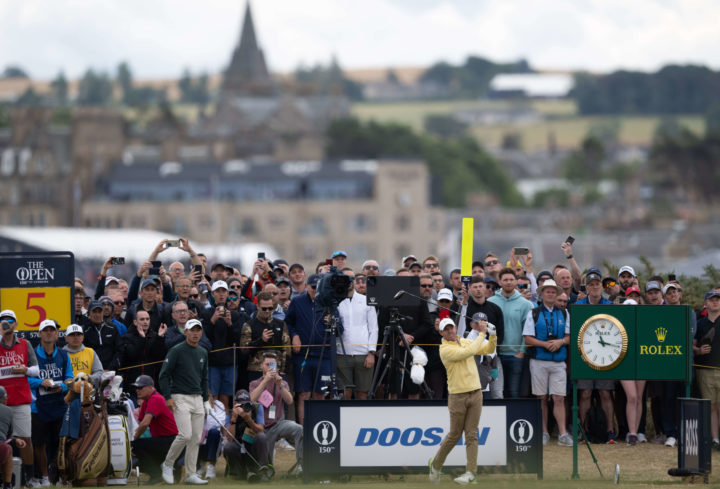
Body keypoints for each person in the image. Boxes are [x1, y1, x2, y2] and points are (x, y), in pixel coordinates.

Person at [428, 317, 497, 485]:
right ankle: (436, 465)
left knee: (472, 435)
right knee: (454, 435)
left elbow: (487, 348)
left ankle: (471, 473)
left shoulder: (464, 340)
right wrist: (482, 333)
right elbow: (468, 352)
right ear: (442, 332)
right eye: (447, 329)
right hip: (458, 396)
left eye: (452, 328)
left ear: (456, 328)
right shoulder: (444, 349)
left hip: (476, 393)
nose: (450, 331)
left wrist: (493, 336)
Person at [159, 319, 211, 485]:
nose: (195, 333)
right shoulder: (176, 350)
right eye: (192, 330)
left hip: (197, 398)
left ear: (201, 333)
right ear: (185, 332)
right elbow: (164, 375)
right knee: (185, 435)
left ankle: (191, 474)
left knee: (196, 438)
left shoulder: (203, 352)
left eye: (198, 330)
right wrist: (167, 397)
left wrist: (205, 400)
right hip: (179, 397)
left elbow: (204, 378)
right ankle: (167, 464)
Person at [522, 280, 573, 447]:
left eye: (553, 292)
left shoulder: (564, 313)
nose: (550, 294)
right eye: (547, 292)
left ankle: (563, 434)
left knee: (559, 397)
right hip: (539, 360)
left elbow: (569, 336)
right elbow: (528, 338)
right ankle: (544, 432)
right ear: (542, 294)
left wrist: (560, 342)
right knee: (541, 397)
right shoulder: (534, 313)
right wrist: (545, 344)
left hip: (558, 361)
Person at [27, 320, 73, 486]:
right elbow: (26, 378)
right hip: (37, 406)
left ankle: (60, 475)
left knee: (61, 443)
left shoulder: (63, 355)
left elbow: (69, 378)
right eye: (44, 330)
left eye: (51, 330)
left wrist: (59, 386)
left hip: (59, 404)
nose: (48, 333)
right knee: (39, 444)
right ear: (39, 334)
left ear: (56, 334)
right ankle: (45, 477)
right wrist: (41, 383)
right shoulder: (32, 354)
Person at [574, 268, 616, 444]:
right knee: (585, 394)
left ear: (601, 286)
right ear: (587, 288)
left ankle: (610, 431)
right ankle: (582, 432)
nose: (595, 287)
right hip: (585, 357)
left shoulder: (610, 306)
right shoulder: (578, 307)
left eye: (597, 283)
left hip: (606, 356)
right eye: (591, 284)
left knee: (605, 393)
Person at [249, 353, 303, 473]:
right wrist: (265, 381)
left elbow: (289, 401)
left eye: (273, 365)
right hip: (262, 427)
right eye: (267, 365)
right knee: (268, 468)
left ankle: (302, 466)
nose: (270, 368)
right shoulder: (254, 383)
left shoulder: (282, 383)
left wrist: (280, 385)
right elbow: (251, 400)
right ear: (261, 366)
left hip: (279, 423)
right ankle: (268, 460)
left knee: (299, 429)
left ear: (277, 368)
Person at [0, 310, 36, 486]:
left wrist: (25, 370)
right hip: (1, 401)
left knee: (26, 439)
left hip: (21, 399)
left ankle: (28, 478)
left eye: (10, 320)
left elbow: (36, 369)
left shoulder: (24, 343)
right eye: (3, 321)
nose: (6, 323)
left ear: (16, 323)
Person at [488, 268, 534, 399]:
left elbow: (528, 330)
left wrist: (521, 352)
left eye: (511, 279)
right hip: (496, 356)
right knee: (497, 393)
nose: (508, 282)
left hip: (516, 355)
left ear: (516, 282)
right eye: (505, 280)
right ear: (500, 282)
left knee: (514, 393)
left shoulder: (526, 304)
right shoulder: (491, 302)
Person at [202, 281, 244, 412]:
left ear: (227, 294)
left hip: (229, 364)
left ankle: (224, 431)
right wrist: (212, 321)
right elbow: (203, 338)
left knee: (225, 400)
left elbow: (237, 340)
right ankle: (213, 430)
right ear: (213, 294)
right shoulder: (206, 313)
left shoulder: (235, 315)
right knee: (213, 399)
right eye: (218, 292)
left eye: (223, 291)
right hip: (212, 364)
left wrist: (230, 324)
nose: (221, 295)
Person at [336, 269, 378, 400]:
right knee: (345, 392)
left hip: (363, 353)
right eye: (344, 279)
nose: (348, 282)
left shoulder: (366, 300)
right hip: (342, 353)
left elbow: (374, 328)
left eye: (350, 279)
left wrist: (371, 352)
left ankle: (363, 420)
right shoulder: (335, 301)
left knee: (362, 392)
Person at [131, 375, 178, 484]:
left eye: (140, 387)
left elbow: (144, 424)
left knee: (135, 447)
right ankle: (166, 472)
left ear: (150, 387)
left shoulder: (156, 399)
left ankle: (156, 475)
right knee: (137, 454)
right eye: (136, 388)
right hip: (163, 440)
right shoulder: (146, 401)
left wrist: (133, 442)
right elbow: (140, 424)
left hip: (171, 441)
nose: (137, 390)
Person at [240, 291, 291, 385]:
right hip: (257, 369)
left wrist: (284, 370)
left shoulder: (281, 324)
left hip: (276, 369)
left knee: (278, 398)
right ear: (257, 306)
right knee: (257, 398)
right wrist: (261, 340)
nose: (267, 311)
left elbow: (286, 349)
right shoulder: (249, 325)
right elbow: (243, 350)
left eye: (270, 308)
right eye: (264, 308)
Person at [222, 390, 271, 482]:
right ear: (235, 403)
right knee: (228, 447)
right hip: (239, 445)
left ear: (250, 402)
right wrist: (233, 419)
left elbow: (261, 431)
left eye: (246, 404)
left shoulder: (256, 408)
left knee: (262, 437)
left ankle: (263, 470)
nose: (244, 407)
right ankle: (239, 473)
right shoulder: (231, 413)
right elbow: (229, 438)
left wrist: (248, 419)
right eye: (241, 405)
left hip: (253, 444)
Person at [120, 310, 167, 400]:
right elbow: (132, 355)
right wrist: (142, 338)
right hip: (133, 388)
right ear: (135, 322)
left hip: (151, 387)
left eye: (147, 319)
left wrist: (160, 337)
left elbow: (157, 356)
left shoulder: (155, 336)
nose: (145, 322)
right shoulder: (127, 337)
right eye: (142, 319)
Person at [693, 291, 720, 447]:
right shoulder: (700, 323)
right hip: (705, 369)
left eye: (717, 300)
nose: (715, 302)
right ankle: (715, 439)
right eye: (712, 300)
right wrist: (699, 351)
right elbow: (692, 345)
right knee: (711, 406)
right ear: (706, 304)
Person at [0, 386, 27, 489]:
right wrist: (15, 440)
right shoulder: (7, 411)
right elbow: (7, 436)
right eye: (6, 396)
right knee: (8, 449)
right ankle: (7, 484)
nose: (7, 399)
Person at [82, 300, 121, 371]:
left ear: (103, 313)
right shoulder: (84, 331)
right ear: (89, 313)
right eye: (94, 312)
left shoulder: (112, 328)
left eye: (99, 312)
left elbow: (119, 350)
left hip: (111, 371)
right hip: (92, 372)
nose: (97, 315)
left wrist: (111, 368)